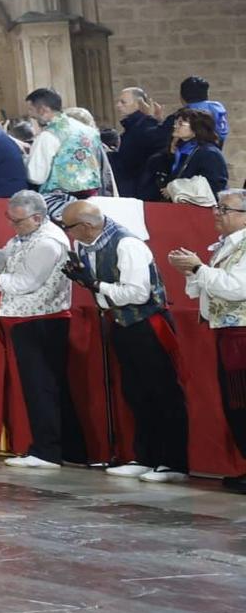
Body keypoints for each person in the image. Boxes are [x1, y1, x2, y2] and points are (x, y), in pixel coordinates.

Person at [62, 201, 188, 483]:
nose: (67, 233)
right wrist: (88, 283)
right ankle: (146, 457)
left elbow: (138, 293)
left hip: (147, 323)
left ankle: (174, 463)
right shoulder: (86, 246)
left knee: (163, 392)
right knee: (135, 393)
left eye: (68, 227)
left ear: (85, 226)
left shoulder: (127, 244)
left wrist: (95, 285)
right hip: (120, 323)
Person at [0, 190, 84, 469]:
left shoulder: (47, 243)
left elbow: (25, 282)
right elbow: (10, 256)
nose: (13, 226)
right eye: (10, 220)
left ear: (38, 217)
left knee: (41, 387)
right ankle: (71, 451)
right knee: (47, 386)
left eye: (18, 221)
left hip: (43, 318)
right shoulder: (27, 236)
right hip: (30, 317)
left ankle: (46, 452)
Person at [170, 188, 246, 493]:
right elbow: (204, 289)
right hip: (226, 331)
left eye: (224, 209)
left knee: (242, 403)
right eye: (216, 208)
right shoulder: (226, 246)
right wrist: (192, 272)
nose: (217, 214)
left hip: (241, 333)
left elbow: (237, 288)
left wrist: (198, 268)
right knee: (234, 405)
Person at [23, 88, 103, 198]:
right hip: (91, 198)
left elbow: (36, 176)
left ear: (42, 110)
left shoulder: (48, 135)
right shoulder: (88, 130)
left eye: (31, 109)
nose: (30, 115)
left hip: (60, 201)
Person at [144, 108, 228, 203]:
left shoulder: (209, 153)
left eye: (180, 123)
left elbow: (214, 186)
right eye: (176, 122)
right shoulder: (180, 150)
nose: (175, 126)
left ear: (196, 128)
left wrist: (175, 188)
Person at [112, 88, 170, 192]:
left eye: (123, 102)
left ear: (139, 104)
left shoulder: (145, 126)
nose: (118, 105)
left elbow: (131, 158)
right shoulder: (133, 126)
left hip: (140, 186)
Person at [180, 75, 228, 145]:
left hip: (195, 152)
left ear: (182, 96)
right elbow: (222, 134)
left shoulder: (185, 114)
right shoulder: (218, 107)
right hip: (216, 149)